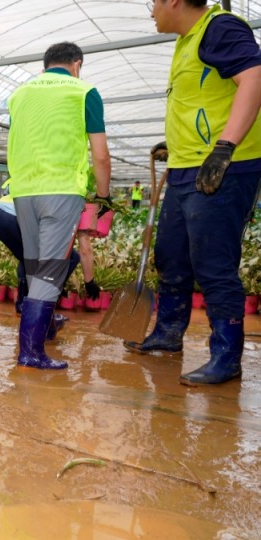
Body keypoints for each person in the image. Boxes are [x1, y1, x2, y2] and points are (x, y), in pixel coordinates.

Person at [126, 0, 261, 386]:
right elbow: (202, 102)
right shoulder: (186, 40)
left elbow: (254, 78)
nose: (151, 9)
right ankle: (168, 334)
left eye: (154, 2)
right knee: (172, 256)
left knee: (213, 262)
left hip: (225, 167)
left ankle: (226, 355)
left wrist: (224, 148)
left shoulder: (220, 27)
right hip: (186, 166)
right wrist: (175, 145)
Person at [7, 42, 112, 370]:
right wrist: (104, 197)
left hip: (23, 191)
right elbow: (100, 153)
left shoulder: (19, 94)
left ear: (45, 64)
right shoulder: (84, 91)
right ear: (77, 64)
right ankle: (31, 351)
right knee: (51, 272)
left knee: (36, 267)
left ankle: (32, 344)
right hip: (62, 190)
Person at [0, 179, 80, 328]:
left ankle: (23, 305)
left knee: (27, 257)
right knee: (73, 257)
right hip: (14, 215)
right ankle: (37, 306)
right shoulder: (71, 196)